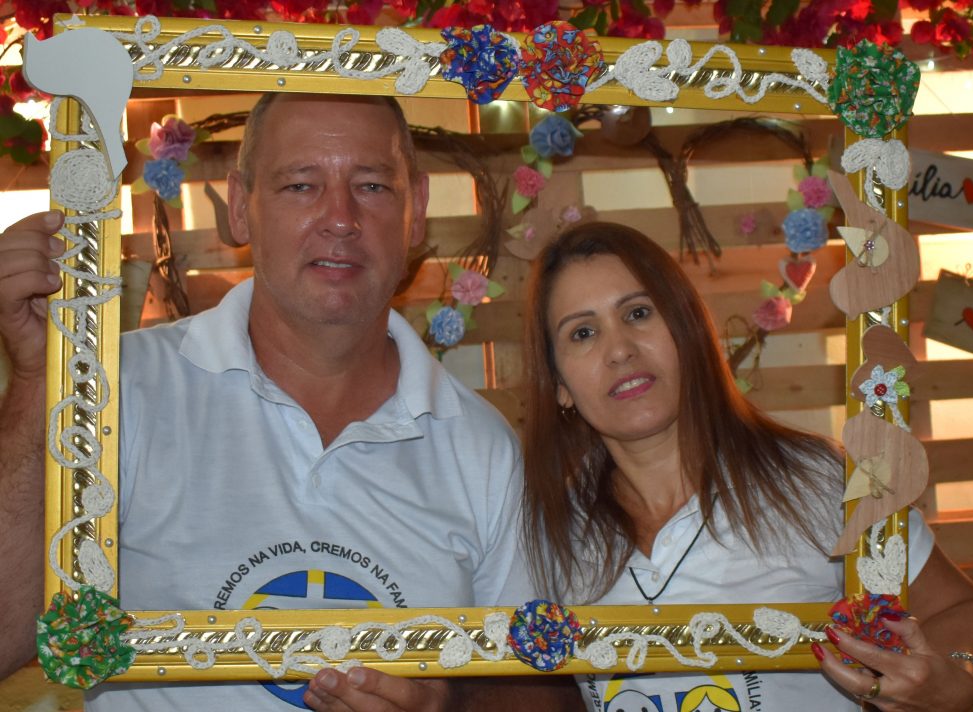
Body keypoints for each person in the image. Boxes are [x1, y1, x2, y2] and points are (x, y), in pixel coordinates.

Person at [0, 93, 579, 711]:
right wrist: (42, 383)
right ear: (240, 208)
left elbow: (536, 688)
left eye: (373, 186)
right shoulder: (120, 390)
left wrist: (446, 706)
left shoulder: (483, 447)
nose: (340, 218)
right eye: (301, 185)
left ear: (417, 211)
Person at [520, 221, 973, 711]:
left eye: (638, 313)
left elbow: (956, 608)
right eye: (583, 332)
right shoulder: (545, 532)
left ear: (687, 329)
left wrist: (957, 681)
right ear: (560, 385)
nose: (620, 349)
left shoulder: (819, 479)